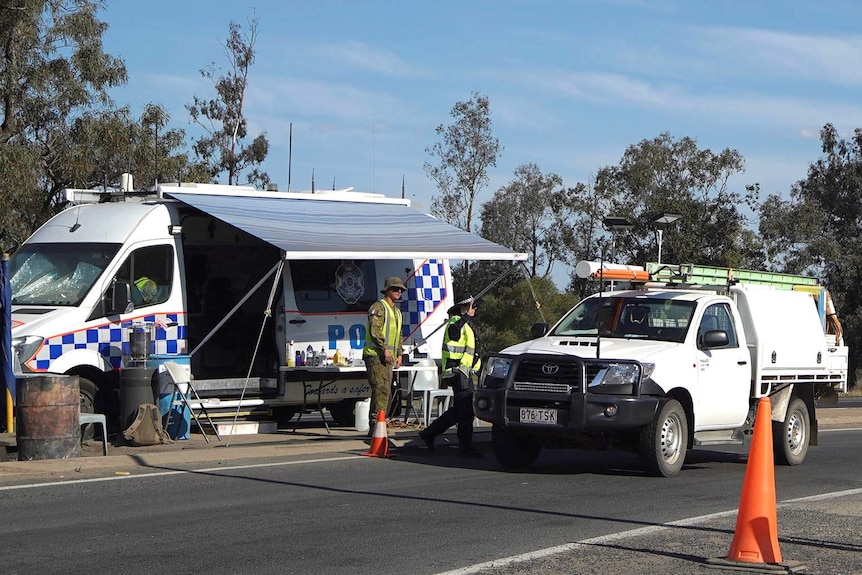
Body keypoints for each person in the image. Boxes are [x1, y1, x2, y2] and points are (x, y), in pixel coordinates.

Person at [419, 294, 483, 457]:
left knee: (458, 411)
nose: (475, 310)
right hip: (458, 372)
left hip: (462, 372)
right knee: (467, 412)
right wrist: (465, 316)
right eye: (472, 307)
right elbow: (454, 333)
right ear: (464, 308)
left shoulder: (465, 324)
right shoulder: (456, 322)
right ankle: (465, 448)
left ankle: (429, 434)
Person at [362, 276, 406, 432]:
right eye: (395, 289)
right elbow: (375, 331)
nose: (398, 291)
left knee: (385, 390)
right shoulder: (379, 307)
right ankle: (376, 426)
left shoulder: (397, 312)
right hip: (375, 355)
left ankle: (379, 424)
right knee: (380, 389)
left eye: (400, 289)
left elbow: (399, 334)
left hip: (388, 358)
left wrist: (400, 353)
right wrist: (385, 348)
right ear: (387, 290)